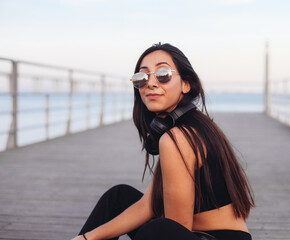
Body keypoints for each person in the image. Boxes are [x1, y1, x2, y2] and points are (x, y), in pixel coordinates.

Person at [71, 43, 255, 240]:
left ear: (186, 84)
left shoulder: (178, 137)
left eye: (163, 74)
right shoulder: (187, 125)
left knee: (158, 230)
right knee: (118, 198)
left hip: (214, 237)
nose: (150, 83)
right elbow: (149, 205)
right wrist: (87, 238)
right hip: (199, 235)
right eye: (142, 77)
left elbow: (175, 228)